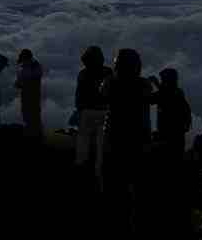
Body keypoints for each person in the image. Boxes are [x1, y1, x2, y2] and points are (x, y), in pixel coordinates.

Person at [101, 48, 153, 232]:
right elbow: (151, 98)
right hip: (139, 141)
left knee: (114, 187)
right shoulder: (144, 85)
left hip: (114, 139)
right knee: (139, 188)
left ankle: (116, 222)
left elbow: (102, 96)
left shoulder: (110, 83)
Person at [75, 45, 113, 182]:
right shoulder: (108, 72)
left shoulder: (83, 74)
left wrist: (79, 109)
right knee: (101, 147)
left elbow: (79, 95)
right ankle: (98, 174)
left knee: (85, 146)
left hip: (89, 113)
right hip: (103, 113)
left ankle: (85, 174)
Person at [148, 68, 192, 156]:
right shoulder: (178, 92)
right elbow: (165, 93)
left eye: (163, 79)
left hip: (167, 137)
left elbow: (151, 98)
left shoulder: (166, 93)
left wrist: (148, 86)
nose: (162, 81)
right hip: (177, 137)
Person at [16, 49, 44, 140]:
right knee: (27, 116)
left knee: (33, 116)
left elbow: (33, 79)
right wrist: (19, 82)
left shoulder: (35, 66)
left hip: (32, 96)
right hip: (27, 95)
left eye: (23, 59)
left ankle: (36, 136)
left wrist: (22, 82)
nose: (22, 62)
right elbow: (22, 81)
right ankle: (32, 134)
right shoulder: (26, 66)